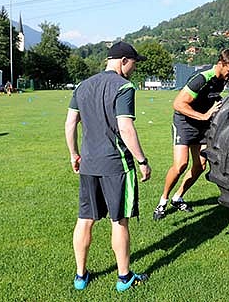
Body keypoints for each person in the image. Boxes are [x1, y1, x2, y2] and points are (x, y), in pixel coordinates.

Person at [64, 41, 152, 292]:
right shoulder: (124, 87)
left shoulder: (82, 86)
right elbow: (125, 127)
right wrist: (142, 161)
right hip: (117, 165)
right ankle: (124, 278)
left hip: (89, 163)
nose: (134, 68)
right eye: (134, 63)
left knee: (85, 219)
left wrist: (74, 154)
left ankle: (80, 276)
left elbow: (70, 123)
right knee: (119, 221)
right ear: (123, 61)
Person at [153, 48, 229, 221]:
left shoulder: (221, 80)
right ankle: (162, 201)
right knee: (180, 165)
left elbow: (210, 98)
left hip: (202, 125)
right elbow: (178, 104)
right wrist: (204, 115)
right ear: (221, 64)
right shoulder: (202, 78)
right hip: (184, 123)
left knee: (200, 165)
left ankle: (178, 197)